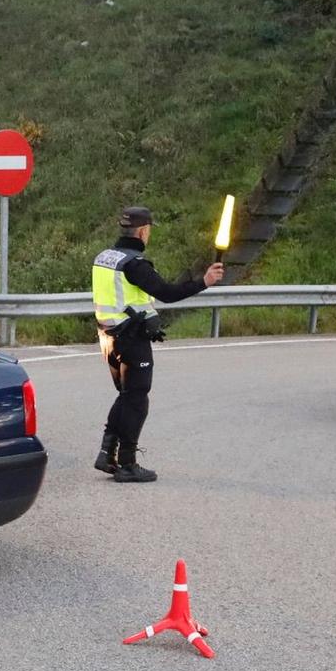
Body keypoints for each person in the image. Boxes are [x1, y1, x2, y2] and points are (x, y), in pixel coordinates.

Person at [91, 205, 224, 483]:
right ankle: (127, 464)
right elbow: (167, 293)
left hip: (108, 338)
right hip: (131, 340)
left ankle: (107, 454)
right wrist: (205, 281)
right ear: (143, 231)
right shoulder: (134, 265)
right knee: (137, 400)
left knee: (126, 396)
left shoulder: (105, 258)